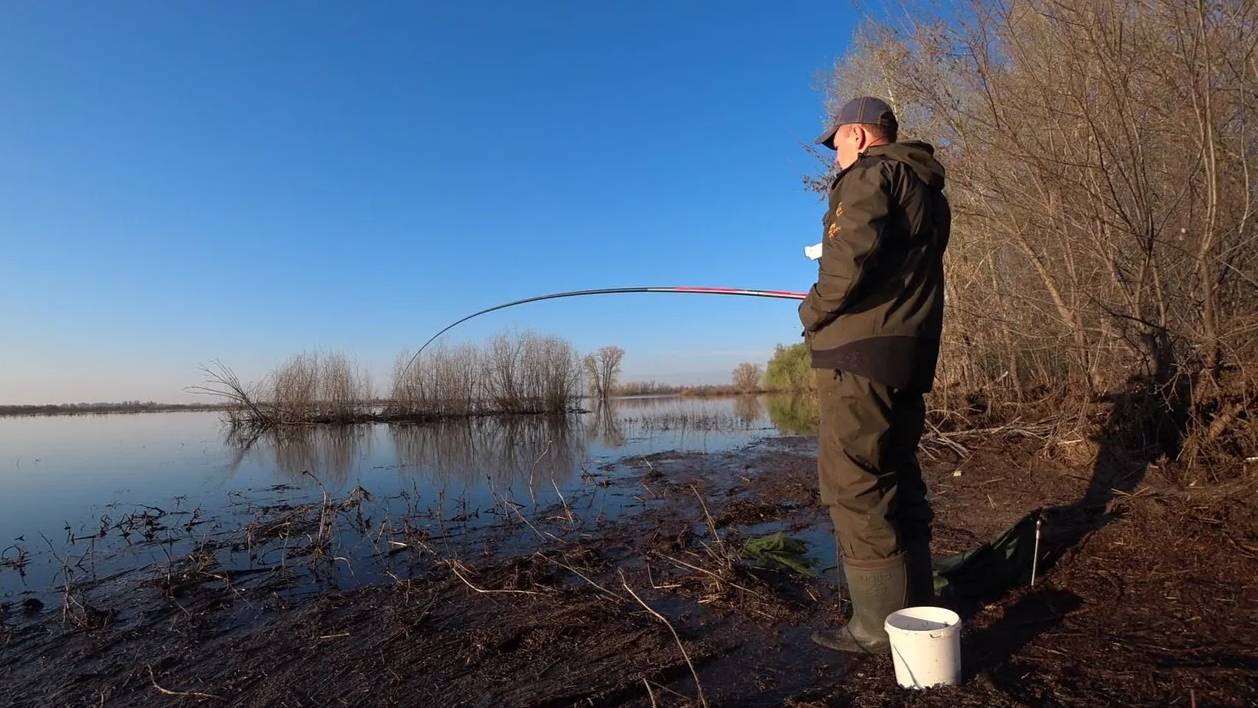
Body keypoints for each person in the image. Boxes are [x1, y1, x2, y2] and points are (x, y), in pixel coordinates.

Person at [800, 96, 951, 654]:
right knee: (897, 474)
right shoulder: (927, 189)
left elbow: (847, 264)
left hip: (858, 355)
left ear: (859, 136)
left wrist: (811, 310)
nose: (833, 153)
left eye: (836, 140)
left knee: (854, 481)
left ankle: (876, 629)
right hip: (907, 352)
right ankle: (919, 604)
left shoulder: (870, 175)